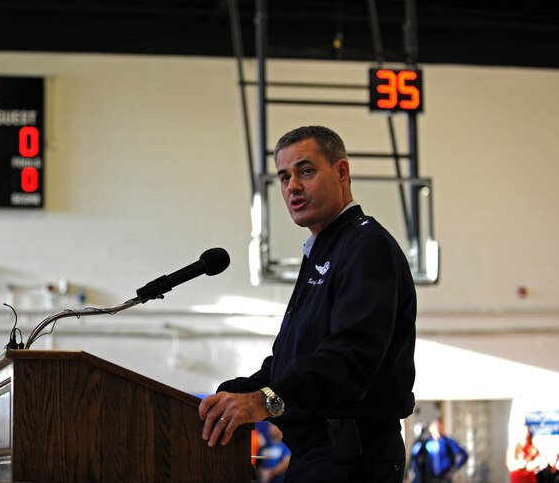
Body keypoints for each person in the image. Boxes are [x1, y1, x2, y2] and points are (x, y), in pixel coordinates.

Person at [198, 125, 417, 482]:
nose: (292, 187)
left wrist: (263, 400)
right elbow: (293, 362)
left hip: (352, 458)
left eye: (306, 171)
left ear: (341, 172)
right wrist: (234, 395)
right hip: (314, 455)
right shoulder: (321, 251)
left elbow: (347, 362)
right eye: (284, 177)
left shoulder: (366, 247)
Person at [410, 418, 468, 482]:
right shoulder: (426, 443)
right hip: (429, 478)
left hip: (445, 478)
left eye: (440, 426)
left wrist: (454, 469)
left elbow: (464, 455)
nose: (438, 429)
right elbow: (414, 457)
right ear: (430, 429)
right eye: (435, 427)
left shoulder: (448, 441)